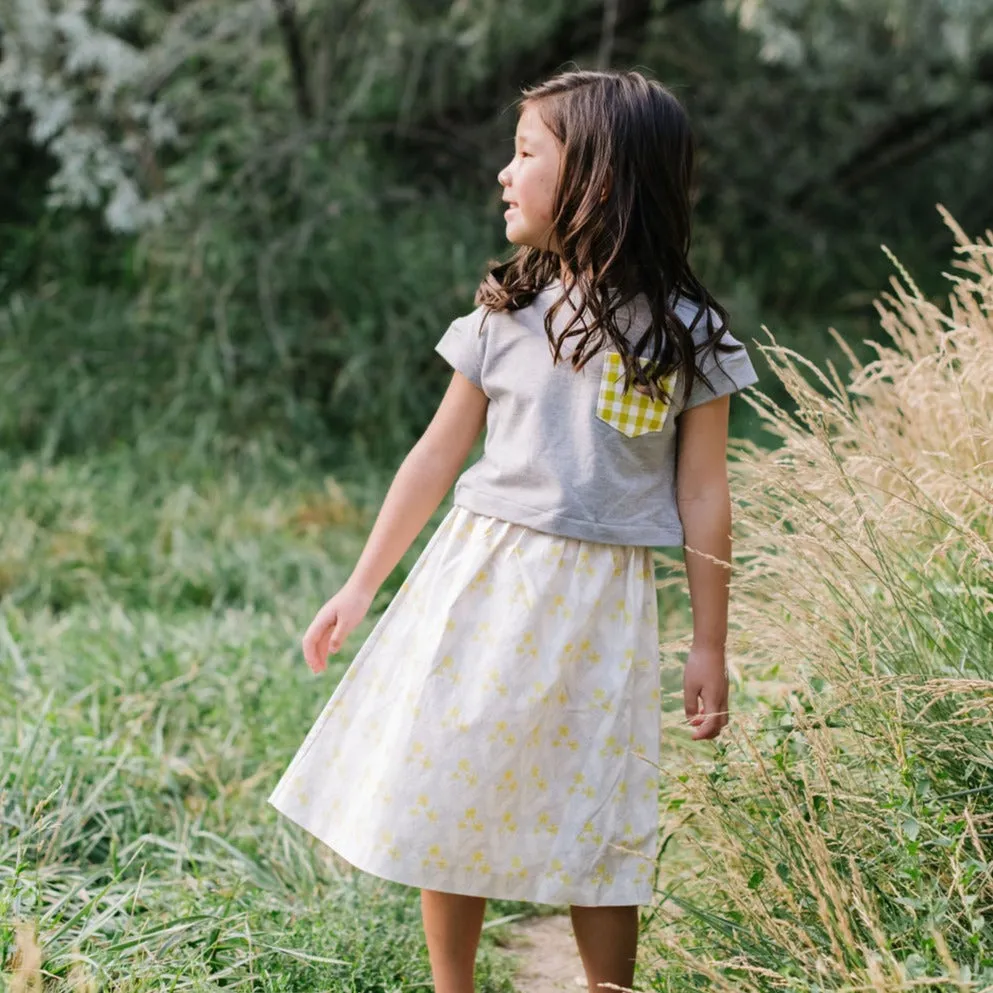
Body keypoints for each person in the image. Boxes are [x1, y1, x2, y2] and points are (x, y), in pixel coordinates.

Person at [268, 68, 758, 993]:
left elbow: (703, 494)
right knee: (455, 784)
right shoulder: (502, 319)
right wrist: (361, 584)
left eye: (526, 153)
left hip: (598, 606)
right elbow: (433, 458)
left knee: (600, 804)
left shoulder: (686, 336)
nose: (504, 172)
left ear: (598, 182)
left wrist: (708, 641)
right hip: (481, 583)